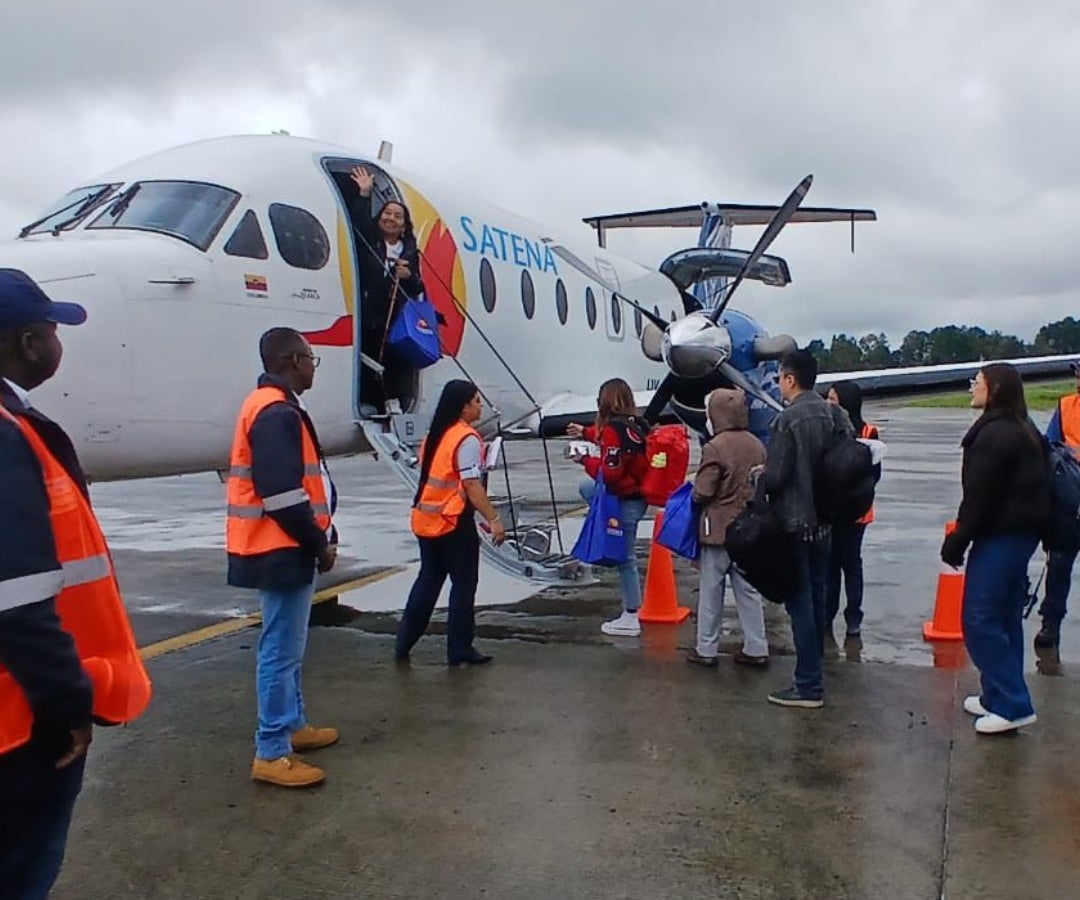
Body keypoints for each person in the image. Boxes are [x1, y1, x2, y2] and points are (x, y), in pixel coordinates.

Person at [0, 269, 149, 896]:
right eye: (54, 330)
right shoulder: (8, 437)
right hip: (20, 726)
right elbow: (18, 601)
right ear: (31, 342)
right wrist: (69, 710)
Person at [226, 327, 340, 788]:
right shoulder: (275, 412)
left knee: (288, 649)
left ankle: (292, 725)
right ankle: (272, 749)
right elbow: (281, 494)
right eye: (312, 358)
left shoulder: (276, 406)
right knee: (279, 650)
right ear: (293, 360)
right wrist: (318, 543)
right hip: (280, 547)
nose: (314, 367)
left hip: (281, 545)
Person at [941, 364, 1050, 734]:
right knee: (1004, 619)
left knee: (978, 619)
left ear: (997, 388)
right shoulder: (1024, 428)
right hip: (1021, 536)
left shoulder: (995, 436)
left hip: (1001, 538)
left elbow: (978, 499)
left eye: (979, 381)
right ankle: (996, 697)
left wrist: (957, 542)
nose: (972, 386)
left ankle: (1015, 703)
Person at [763, 349, 852, 708]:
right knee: (817, 597)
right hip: (826, 522)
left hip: (796, 523)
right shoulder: (835, 414)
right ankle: (815, 671)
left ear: (790, 378)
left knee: (798, 603)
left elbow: (776, 477)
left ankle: (809, 684)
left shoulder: (787, 420)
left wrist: (761, 476)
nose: (779, 384)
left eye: (781, 377)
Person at [396, 380, 506, 664]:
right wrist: (493, 518)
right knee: (463, 585)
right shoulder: (466, 438)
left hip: (426, 519)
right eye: (477, 400)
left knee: (428, 581)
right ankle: (459, 648)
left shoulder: (435, 436)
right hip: (453, 522)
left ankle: (404, 642)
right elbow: (471, 484)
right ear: (464, 406)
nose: (481, 405)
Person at [686, 388, 770, 668]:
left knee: (711, 592)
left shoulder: (715, 446)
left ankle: (706, 649)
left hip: (718, 531)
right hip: (748, 531)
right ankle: (756, 647)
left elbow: (703, 491)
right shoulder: (756, 444)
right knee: (748, 592)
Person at [567, 378, 651, 637]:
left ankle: (631, 613)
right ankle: (603, 520)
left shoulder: (614, 430)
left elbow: (611, 473)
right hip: (637, 496)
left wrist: (584, 459)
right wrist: (584, 432)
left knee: (626, 559)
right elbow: (609, 439)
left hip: (626, 499)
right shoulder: (636, 424)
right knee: (587, 488)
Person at [348, 165, 424, 414]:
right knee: (369, 353)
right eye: (387, 213)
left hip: (395, 315)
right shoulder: (370, 241)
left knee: (395, 359)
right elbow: (356, 225)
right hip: (371, 311)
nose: (391, 218)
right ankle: (371, 400)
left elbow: (418, 286)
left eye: (397, 216)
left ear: (404, 226)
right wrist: (364, 194)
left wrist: (408, 275)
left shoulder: (410, 251)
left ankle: (394, 400)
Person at [825, 381, 880, 641]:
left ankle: (853, 616)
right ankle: (828, 615)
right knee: (832, 566)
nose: (828, 403)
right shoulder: (828, 430)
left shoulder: (869, 432)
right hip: (837, 511)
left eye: (833, 399)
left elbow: (874, 475)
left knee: (849, 564)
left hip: (855, 512)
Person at [1034, 360, 1080, 650]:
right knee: (1059, 563)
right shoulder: (1066, 407)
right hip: (1069, 498)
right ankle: (1051, 623)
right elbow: (1049, 447)